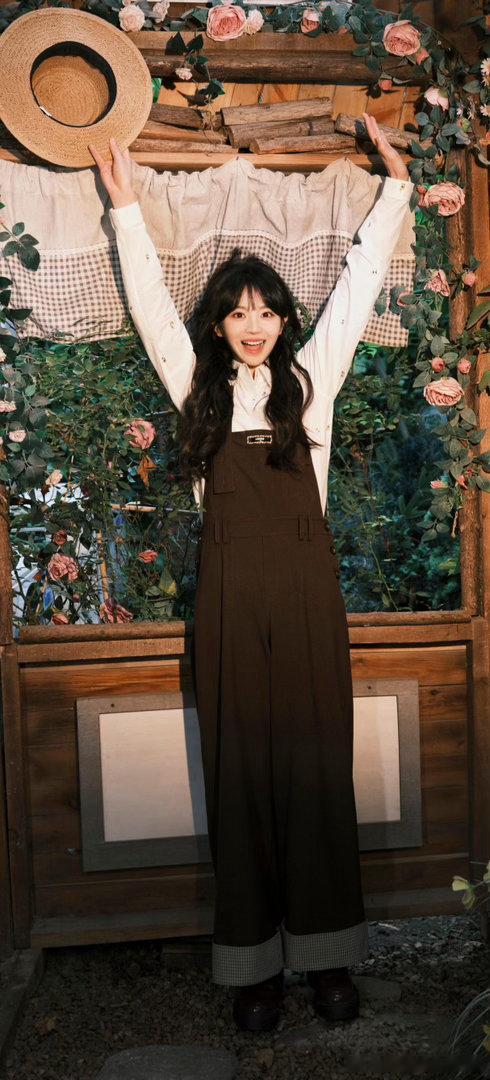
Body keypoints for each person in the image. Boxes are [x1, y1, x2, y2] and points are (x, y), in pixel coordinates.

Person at [89, 116, 413, 1033]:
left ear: (284, 319)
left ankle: (326, 959)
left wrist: (395, 187)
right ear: (219, 324)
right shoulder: (195, 390)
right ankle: (255, 969)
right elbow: (152, 307)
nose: (254, 327)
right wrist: (123, 208)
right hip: (230, 604)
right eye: (237, 313)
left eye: (266, 311)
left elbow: (360, 283)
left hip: (307, 600)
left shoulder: (315, 380)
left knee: (315, 771)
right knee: (240, 776)